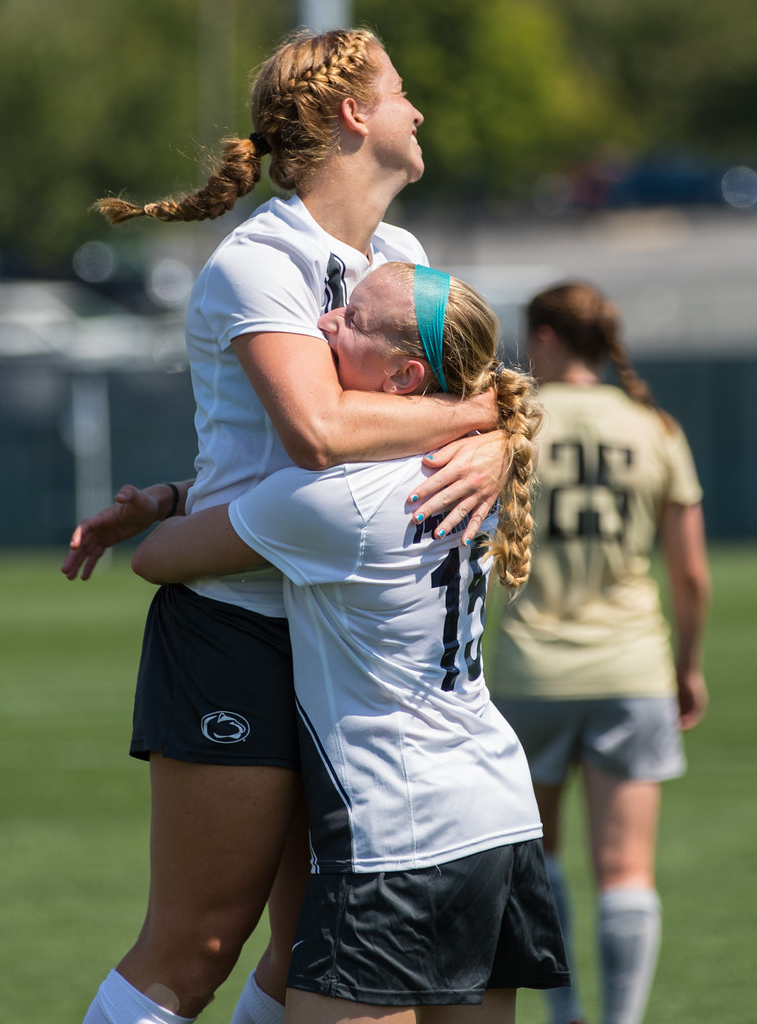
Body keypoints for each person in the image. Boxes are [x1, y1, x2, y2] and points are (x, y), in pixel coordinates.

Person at [71, 28, 511, 1024]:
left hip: (347, 638)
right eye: (401, 91)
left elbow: (443, 409)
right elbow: (317, 433)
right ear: (354, 113)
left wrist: (500, 438)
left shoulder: (400, 255)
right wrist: (492, 418)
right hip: (240, 622)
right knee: (199, 946)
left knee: (318, 945)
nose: (419, 109)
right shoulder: (258, 259)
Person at [131, 261, 570, 1024]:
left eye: (351, 319)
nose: (324, 323)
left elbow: (155, 558)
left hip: (395, 839)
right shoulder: (470, 466)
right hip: (496, 815)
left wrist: (168, 501)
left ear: (404, 376)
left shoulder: (336, 500)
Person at [488, 281, 710, 1024]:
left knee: (535, 863)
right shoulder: (655, 427)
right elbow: (690, 574)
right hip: (631, 670)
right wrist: (685, 669)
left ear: (546, 339)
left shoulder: (511, 426)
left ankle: (564, 1015)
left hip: (526, 673)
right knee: (625, 871)